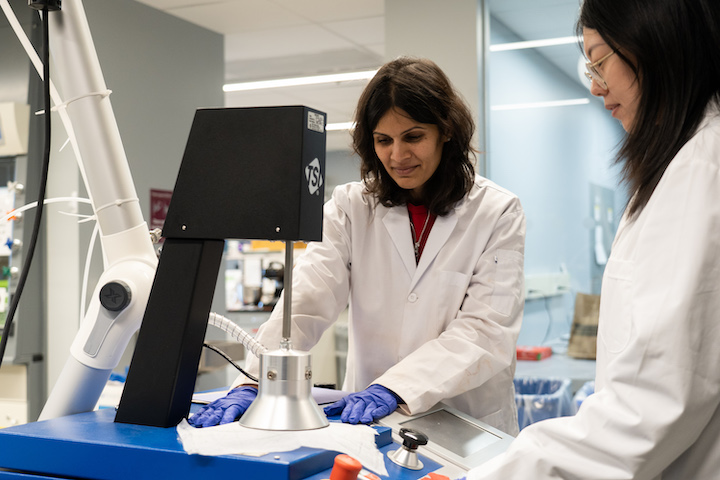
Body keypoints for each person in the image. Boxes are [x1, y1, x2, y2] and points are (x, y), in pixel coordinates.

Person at [189, 57, 526, 435]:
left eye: (413, 136)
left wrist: (395, 387)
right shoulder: (350, 207)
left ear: (445, 131)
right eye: (384, 140)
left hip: (467, 423)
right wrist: (256, 380)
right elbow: (306, 300)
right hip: (369, 417)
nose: (397, 156)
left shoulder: (496, 212)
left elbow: (486, 330)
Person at [467, 0, 720, 478]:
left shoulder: (700, 171)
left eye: (600, 60)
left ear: (658, 44)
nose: (596, 85)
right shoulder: (683, 165)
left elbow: (648, 407)